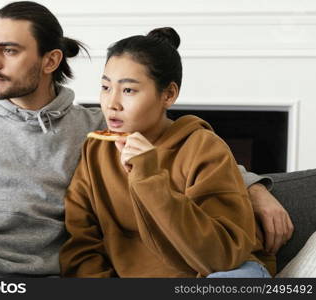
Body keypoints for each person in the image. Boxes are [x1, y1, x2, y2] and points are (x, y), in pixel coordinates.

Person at [0, 1, 291, 278]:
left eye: (9, 50)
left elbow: (181, 148)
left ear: (51, 61)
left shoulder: (93, 129)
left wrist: (255, 187)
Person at [59, 27, 277, 278]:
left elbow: (223, 256)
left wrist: (149, 178)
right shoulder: (96, 150)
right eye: (106, 87)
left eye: (128, 90)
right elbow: (81, 243)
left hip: (222, 271)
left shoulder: (203, 147)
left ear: (169, 94)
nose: (112, 103)